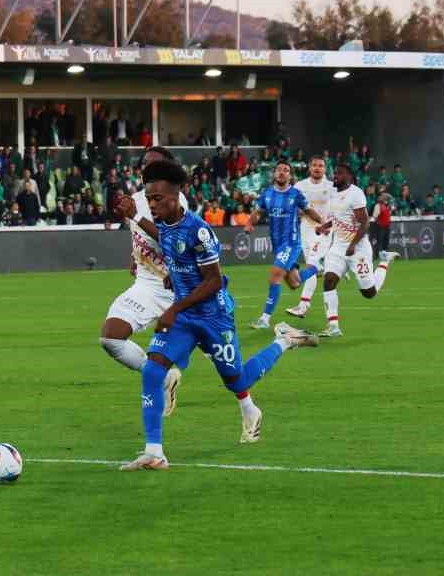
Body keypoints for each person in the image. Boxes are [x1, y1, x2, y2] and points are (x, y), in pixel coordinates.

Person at [120, 158, 318, 471]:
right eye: (149, 199)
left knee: (237, 379)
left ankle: (285, 340)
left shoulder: (199, 231)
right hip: (185, 318)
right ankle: (154, 451)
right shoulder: (166, 224)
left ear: (177, 197)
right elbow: (164, 238)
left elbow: (213, 281)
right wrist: (135, 217)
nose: (152, 205)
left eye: (158, 199)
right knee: (152, 370)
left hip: (214, 316)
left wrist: (174, 307)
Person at [100, 146, 184, 416]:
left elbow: (173, 238)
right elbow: (138, 234)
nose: (149, 169)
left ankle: (283, 342)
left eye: (156, 164)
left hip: (179, 288)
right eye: (146, 164)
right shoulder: (135, 199)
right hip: (146, 286)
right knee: (111, 338)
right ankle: (164, 377)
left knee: (230, 368)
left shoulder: (177, 201)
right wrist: (135, 257)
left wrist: (134, 215)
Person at [312, 162, 399, 338]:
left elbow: (365, 222)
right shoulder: (334, 194)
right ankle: (333, 326)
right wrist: (324, 226)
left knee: (369, 293)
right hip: (337, 248)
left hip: (357, 250)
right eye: (335, 173)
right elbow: (338, 217)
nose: (335, 175)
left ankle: (384, 262)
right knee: (329, 281)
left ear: (349, 177)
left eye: (339, 173)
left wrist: (352, 245)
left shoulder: (356, 194)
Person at [245, 159, 326, 330]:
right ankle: (317, 268)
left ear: (290, 175)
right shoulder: (267, 194)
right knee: (294, 283)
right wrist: (250, 223)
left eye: (286, 170)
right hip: (277, 243)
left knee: (275, 274)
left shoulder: (295, 194)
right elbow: (258, 212)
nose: (282, 172)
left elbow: (308, 209)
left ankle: (265, 318)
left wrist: (321, 222)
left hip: (291, 242)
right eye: (279, 169)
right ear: (274, 174)